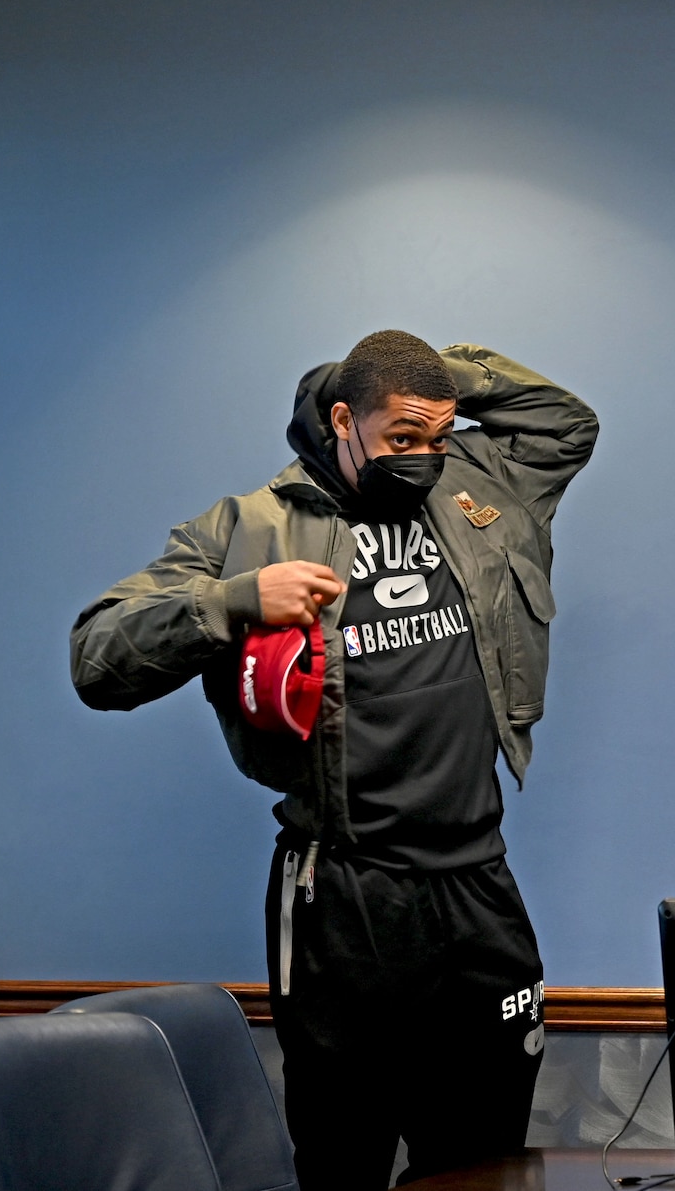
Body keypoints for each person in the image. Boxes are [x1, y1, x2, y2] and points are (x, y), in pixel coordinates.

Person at [70, 331, 597, 1190]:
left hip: (478, 887)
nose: (425, 457)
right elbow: (97, 657)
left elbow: (565, 422)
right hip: (345, 896)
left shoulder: (480, 486)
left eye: (439, 434)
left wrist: (427, 378)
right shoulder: (252, 528)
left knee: (486, 1160)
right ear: (343, 419)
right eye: (401, 437)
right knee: (343, 1159)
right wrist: (235, 599)